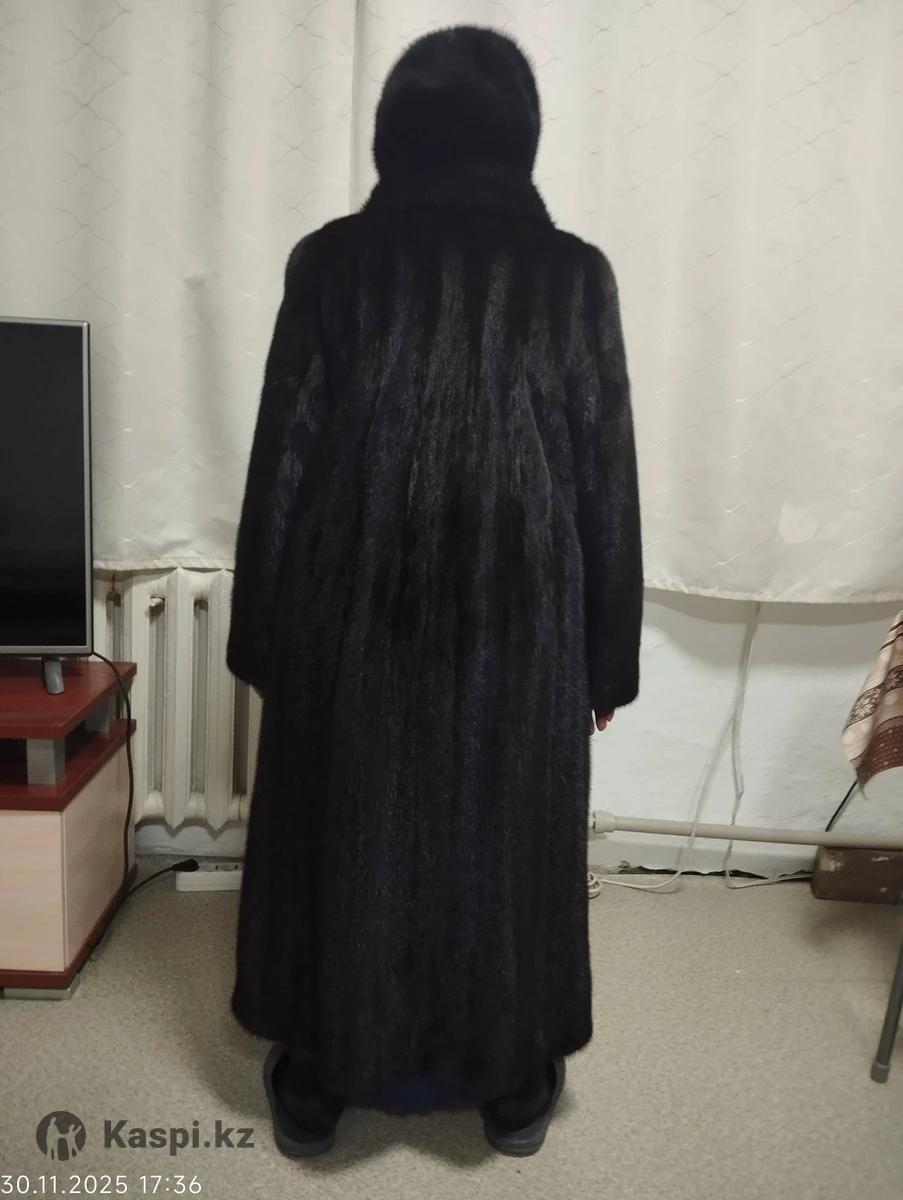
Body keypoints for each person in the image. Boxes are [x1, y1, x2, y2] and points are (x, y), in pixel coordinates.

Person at [226, 23, 643, 1158]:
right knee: (506, 832)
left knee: (341, 825)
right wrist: (605, 661)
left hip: (349, 608)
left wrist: (264, 640)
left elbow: (284, 458)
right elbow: (604, 476)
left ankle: (319, 1070)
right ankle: (511, 1077)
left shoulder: (331, 264)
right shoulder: (572, 277)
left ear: (392, 137)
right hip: (522, 615)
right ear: (520, 141)